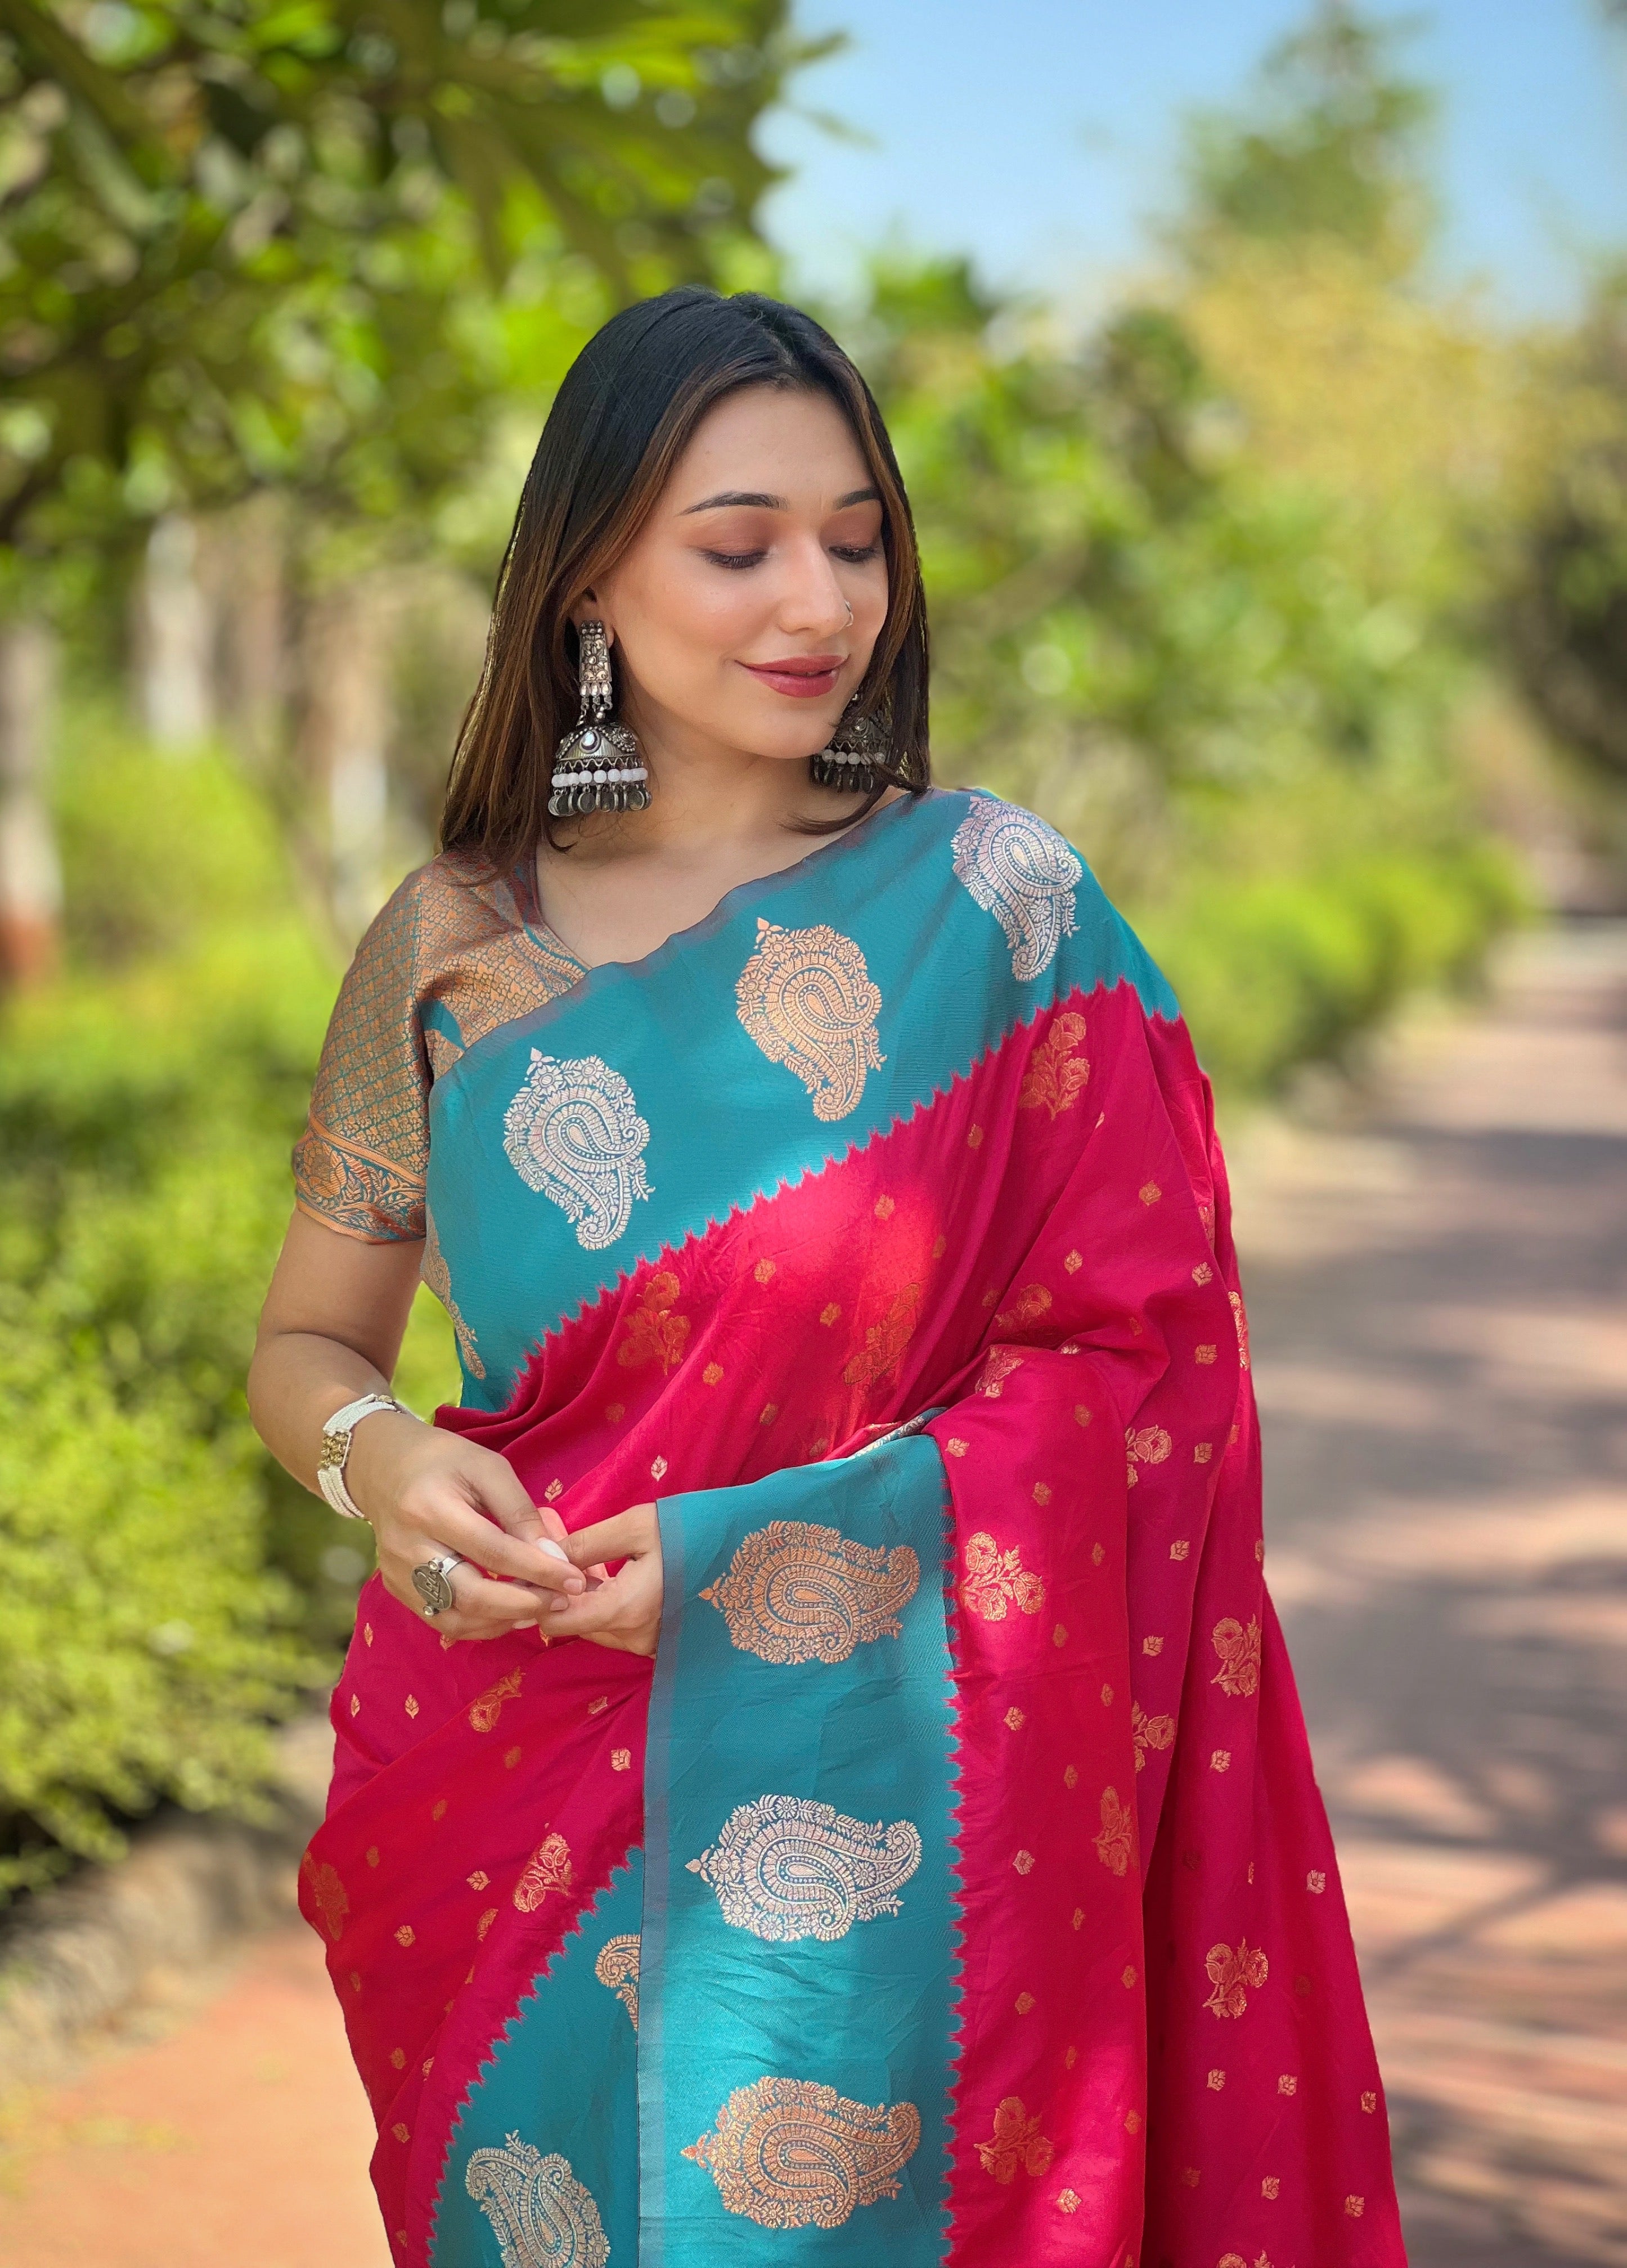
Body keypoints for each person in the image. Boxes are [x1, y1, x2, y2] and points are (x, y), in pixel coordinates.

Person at [249, 287, 1403, 2268]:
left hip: (901, 1797)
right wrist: (374, 1464)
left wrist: (751, 1566)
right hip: (514, 1785)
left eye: (856, 537)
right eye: (740, 544)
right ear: (586, 584)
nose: (821, 599)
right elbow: (307, 1340)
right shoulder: (452, 948)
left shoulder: (997, 913)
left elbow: (1143, 1384)